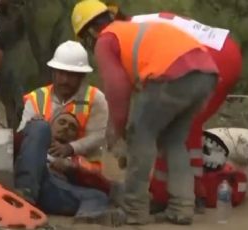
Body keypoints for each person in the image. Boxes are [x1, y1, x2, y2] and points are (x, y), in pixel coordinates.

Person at [71, 0, 219, 226]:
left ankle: (134, 210)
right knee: (173, 141)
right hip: (206, 74)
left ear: (89, 32)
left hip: (171, 75)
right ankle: (182, 207)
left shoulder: (106, 39)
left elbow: (117, 89)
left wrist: (117, 131)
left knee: (141, 134)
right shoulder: (130, 29)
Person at [105, 8, 243, 214]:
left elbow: (120, 90)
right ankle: (189, 196)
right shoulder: (142, 23)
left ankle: (163, 195)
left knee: (163, 128)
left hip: (204, 58)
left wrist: (120, 132)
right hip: (222, 53)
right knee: (182, 130)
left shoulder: (119, 35)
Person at [17, 40, 108, 170]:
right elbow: (22, 134)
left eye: (71, 75)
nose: (65, 80)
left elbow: (98, 136)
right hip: (42, 164)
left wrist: (70, 148)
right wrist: (32, 128)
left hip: (81, 170)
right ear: (53, 72)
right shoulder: (37, 98)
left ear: (82, 76)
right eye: (61, 73)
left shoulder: (95, 98)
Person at [14, 112, 109, 218]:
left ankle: (84, 222)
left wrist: (71, 168)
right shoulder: (33, 139)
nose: (66, 127)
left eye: (72, 127)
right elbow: (8, 144)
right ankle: (25, 194)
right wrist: (33, 127)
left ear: (75, 138)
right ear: (50, 125)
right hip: (30, 178)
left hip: (54, 189)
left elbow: (101, 183)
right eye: (62, 122)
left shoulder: (77, 159)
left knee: (98, 196)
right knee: (39, 125)